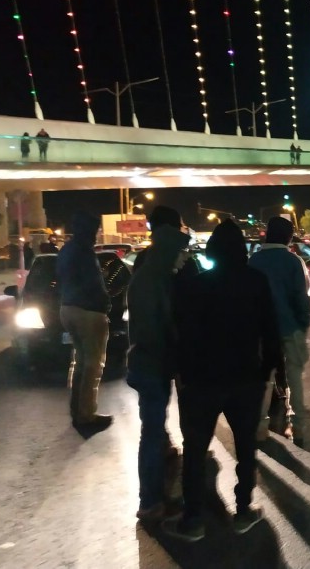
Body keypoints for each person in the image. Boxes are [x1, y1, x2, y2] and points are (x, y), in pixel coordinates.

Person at [166, 219, 283, 542]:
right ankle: (243, 509)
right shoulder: (256, 281)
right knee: (246, 446)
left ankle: (193, 519)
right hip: (246, 376)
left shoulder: (196, 285)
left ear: (213, 251)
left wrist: (184, 373)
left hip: (203, 379)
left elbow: (183, 334)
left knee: (195, 449)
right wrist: (267, 369)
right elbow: (271, 331)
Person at [126, 220, 192, 523]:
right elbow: (156, 331)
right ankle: (150, 502)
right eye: (181, 252)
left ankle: (152, 497)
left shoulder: (150, 277)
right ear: (169, 252)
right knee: (152, 435)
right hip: (152, 366)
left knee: (152, 433)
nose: (185, 258)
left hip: (148, 365)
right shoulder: (154, 282)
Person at [249, 216, 310, 446]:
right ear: (289, 237)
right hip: (290, 327)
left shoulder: (254, 260)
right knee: (295, 377)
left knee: (264, 379)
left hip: (262, 330)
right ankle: (298, 427)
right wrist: (303, 324)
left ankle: (260, 428)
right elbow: (300, 297)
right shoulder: (293, 261)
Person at [57, 211, 113, 433]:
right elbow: (94, 284)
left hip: (67, 308)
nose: (97, 235)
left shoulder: (66, 250)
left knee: (79, 362)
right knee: (92, 364)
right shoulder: (85, 252)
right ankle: (86, 415)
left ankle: (77, 409)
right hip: (88, 311)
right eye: (96, 230)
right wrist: (105, 303)